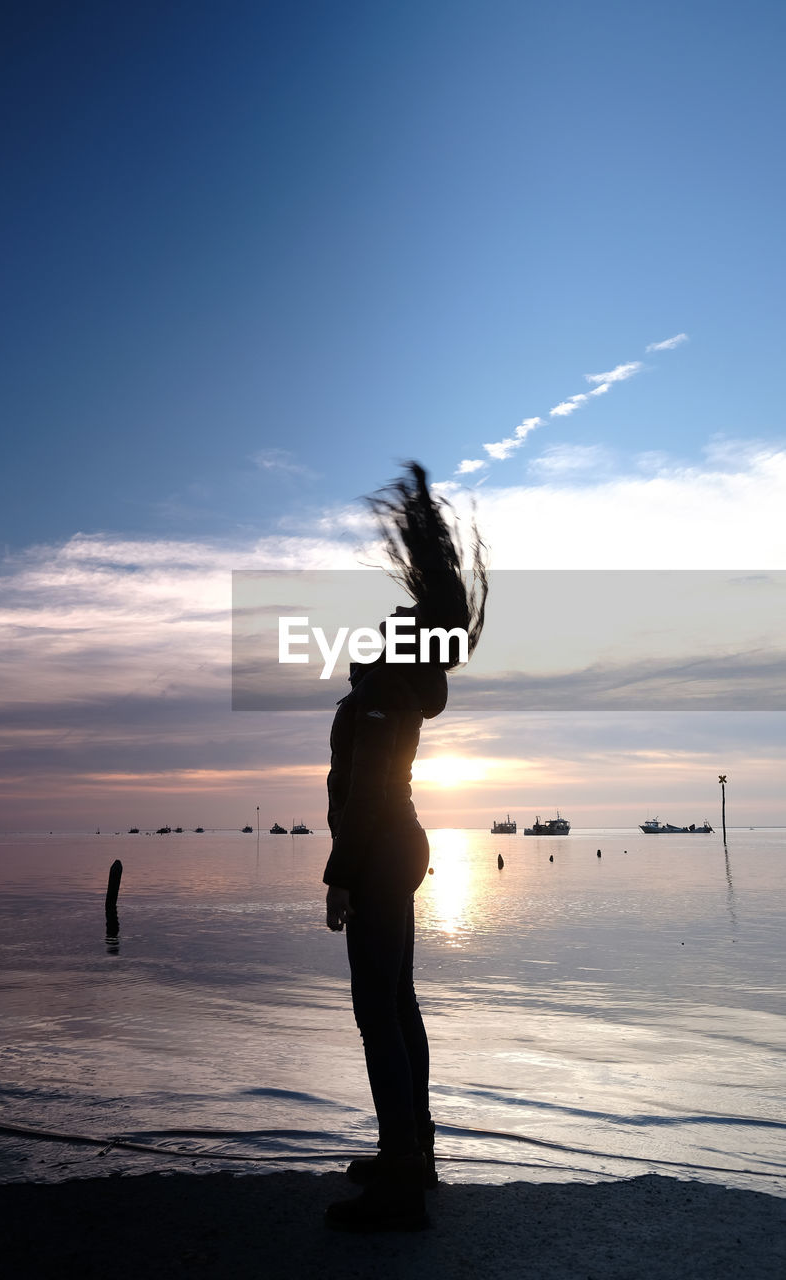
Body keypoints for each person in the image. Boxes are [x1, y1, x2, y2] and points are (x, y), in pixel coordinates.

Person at [323, 461, 488, 1232]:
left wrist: (341, 876)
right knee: (397, 1002)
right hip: (395, 848)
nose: (381, 624)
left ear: (407, 640)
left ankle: (399, 1185)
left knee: (375, 1011)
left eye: (395, 623)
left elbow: (370, 793)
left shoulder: (387, 693)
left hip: (383, 850)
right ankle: (411, 1152)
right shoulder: (389, 685)